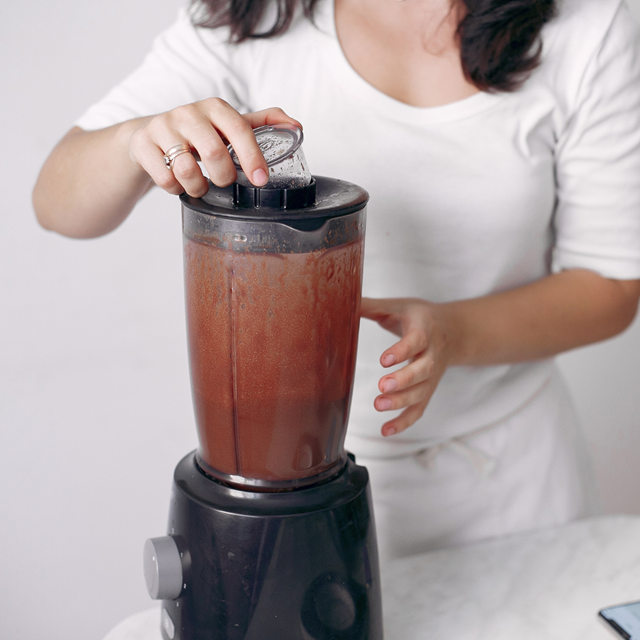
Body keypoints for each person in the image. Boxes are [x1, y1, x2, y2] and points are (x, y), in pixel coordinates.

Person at [33, 0, 640, 565]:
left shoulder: (590, 26)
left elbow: (611, 284)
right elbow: (57, 204)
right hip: (293, 475)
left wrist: (455, 333)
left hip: (515, 484)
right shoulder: (257, 19)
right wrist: (134, 139)